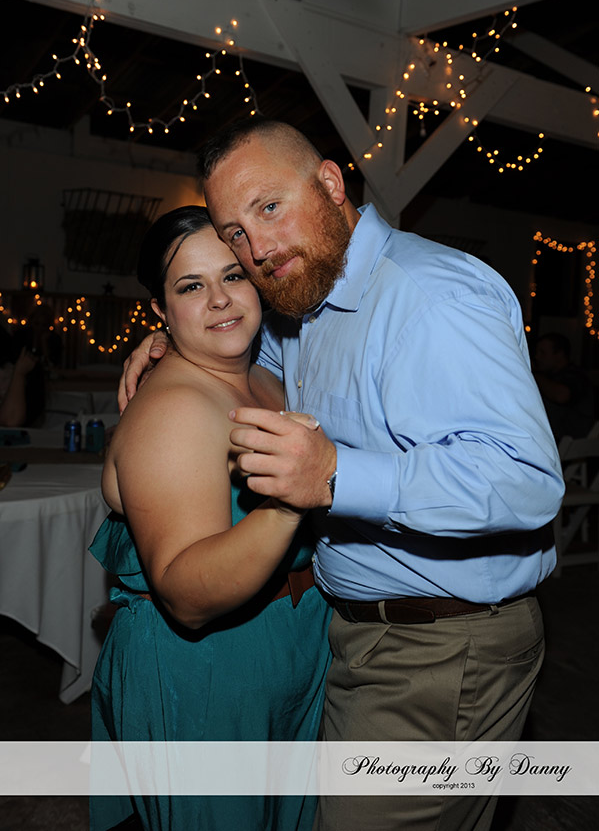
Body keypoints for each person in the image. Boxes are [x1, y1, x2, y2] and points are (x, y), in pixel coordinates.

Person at [120, 119, 565, 831]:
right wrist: (170, 342)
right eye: (236, 234)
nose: (258, 249)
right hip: (358, 639)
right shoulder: (305, 295)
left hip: (442, 646)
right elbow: (247, 354)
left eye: (270, 207)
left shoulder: (430, 296)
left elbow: (526, 480)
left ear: (329, 183)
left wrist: (334, 475)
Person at [91, 205, 331, 831]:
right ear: (160, 309)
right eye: (191, 286)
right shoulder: (174, 408)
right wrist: (289, 499)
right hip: (206, 670)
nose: (220, 300)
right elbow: (184, 595)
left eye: (233, 275)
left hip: (285, 643)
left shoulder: (267, 377)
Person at [533, 331, 595, 441]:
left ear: (559, 355)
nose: (537, 357)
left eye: (543, 353)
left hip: (570, 443)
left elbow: (561, 395)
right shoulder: (550, 376)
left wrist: (533, 374)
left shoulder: (577, 376)